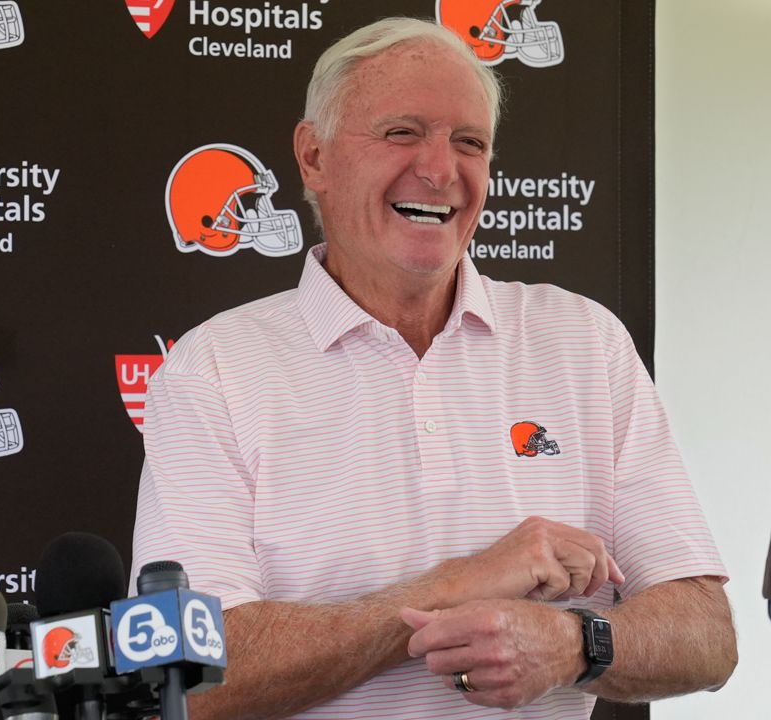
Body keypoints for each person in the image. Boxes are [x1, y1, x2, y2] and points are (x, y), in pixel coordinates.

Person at [131, 17, 736, 720]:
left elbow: (707, 635)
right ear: (314, 157)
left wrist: (575, 644)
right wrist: (464, 583)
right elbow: (190, 681)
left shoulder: (584, 342)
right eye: (402, 133)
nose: (441, 169)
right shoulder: (214, 370)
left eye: (469, 142)